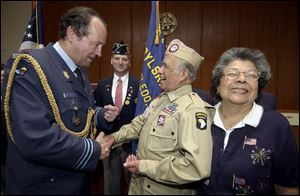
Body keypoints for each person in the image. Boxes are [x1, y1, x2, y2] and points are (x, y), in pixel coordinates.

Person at [1, 6, 119, 194]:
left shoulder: (79, 69)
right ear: (72, 33)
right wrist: (94, 149)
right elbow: (35, 137)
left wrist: (100, 115)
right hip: (44, 185)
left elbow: (75, 115)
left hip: (77, 182)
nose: (100, 53)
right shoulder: (30, 66)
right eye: (96, 44)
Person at [104, 39, 215, 195]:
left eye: (166, 66)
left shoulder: (193, 110)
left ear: (183, 74)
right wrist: (112, 138)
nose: (159, 70)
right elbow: (138, 125)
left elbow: (196, 167)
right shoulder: (161, 100)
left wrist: (144, 166)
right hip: (140, 187)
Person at [198, 47, 299, 195]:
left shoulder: (277, 126)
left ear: (259, 85)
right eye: (232, 73)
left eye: (251, 75)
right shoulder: (200, 119)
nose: (241, 79)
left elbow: (288, 187)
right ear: (218, 84)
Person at [93, 41, 139, 194]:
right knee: (110, 186)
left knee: (133, 185)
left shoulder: (138, 85)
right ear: (111, 60)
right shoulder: (102, 85)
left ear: (129, 62)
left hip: (130, 144)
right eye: (117, 58)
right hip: (109, 144)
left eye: (124, 59)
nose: (121, 62)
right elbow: (96, 112)